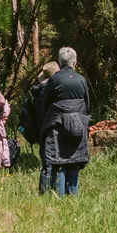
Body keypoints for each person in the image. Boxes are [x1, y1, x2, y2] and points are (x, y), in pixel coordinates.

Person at [40, 47, 91, 196]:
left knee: (58, 161)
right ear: (75, 62)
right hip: (78, 125)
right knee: (74, 159)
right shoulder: (81, 80)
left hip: (57, 125)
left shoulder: (54, 79)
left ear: (60, 62)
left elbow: (46, 105)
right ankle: (73, 195)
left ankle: (59, 195)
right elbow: (87, 106)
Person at [21, 62, 60, 194]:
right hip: (50, 129)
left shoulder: (37, 91)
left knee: (46, 160)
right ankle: (49, 191)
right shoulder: (47, 93)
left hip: (40, 130)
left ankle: (44, 192)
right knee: (51, 162)